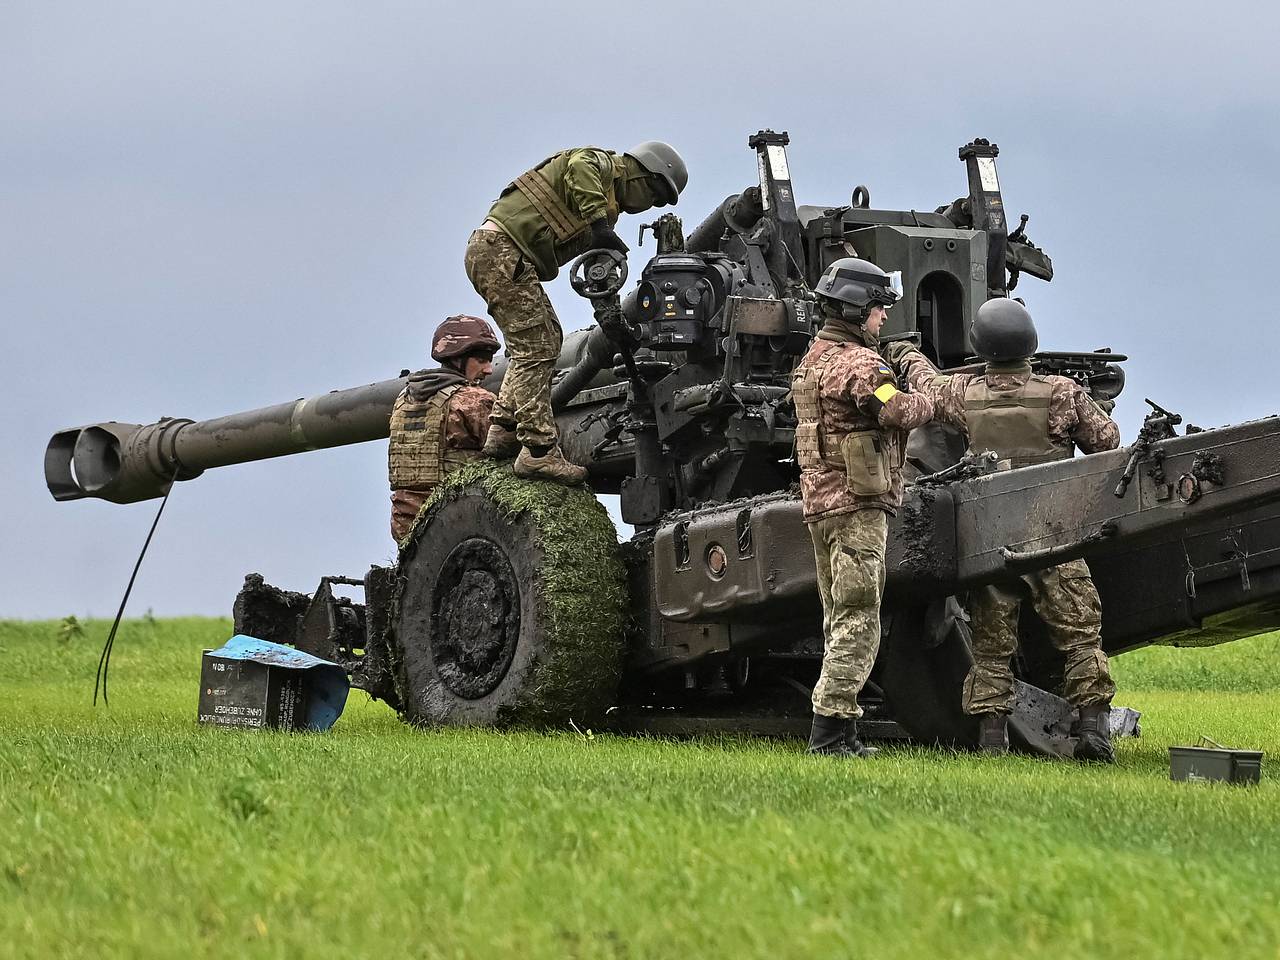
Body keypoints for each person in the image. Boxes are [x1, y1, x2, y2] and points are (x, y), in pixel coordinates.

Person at [886, 297, 1121, 761]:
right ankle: (1094, 731)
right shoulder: (1061, 394)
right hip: (1055, 537)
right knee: (1081, 637)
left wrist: (903, 352)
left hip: (994, 541)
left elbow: (927, 388)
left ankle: (992, 740)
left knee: (992, 646)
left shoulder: (963, 395)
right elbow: (1107, 441)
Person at [465, 141, 688, 484]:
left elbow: (596, 273)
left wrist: (612, 319)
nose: (650, 207)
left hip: (505, 258)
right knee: (536, 348)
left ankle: (504, 428)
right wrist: (600, 225)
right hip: (500, 251)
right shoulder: (601, 165)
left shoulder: (603, 211)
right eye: (655, 197)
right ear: (644, 175)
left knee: (547, 340)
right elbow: (579, 167)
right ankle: (538, 452)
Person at [793, 258, 936, 757]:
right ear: (858, 310)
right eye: (879, 310)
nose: (882, 320)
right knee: (859, 615)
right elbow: (902, 411)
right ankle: (829, 734)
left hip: (821, 505)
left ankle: (844, 733)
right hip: (857, 505)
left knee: (838, 615)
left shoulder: (812, 360)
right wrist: (922, 375)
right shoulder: (858, 363)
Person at [388, 315, 500, 543]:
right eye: (481, 359)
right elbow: (511, 447)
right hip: (462, 521)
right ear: (457, 358)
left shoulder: (403, 399)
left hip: (409, 531)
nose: (488, 369)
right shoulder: (473, 400)